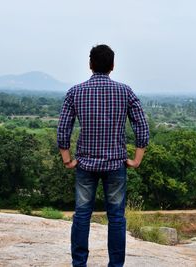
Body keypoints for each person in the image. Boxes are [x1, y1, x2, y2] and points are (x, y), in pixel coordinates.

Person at [57, 44, 149, 267]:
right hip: (116, 164)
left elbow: (63, 128)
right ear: (113, 66)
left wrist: (67, 158)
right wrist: (137, 159)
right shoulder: (125, 91)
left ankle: (79, 264)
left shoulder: (75, 92)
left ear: (90, 64)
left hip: (85, 164)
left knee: (81, 215)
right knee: (116, 217)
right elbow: (142, 126)